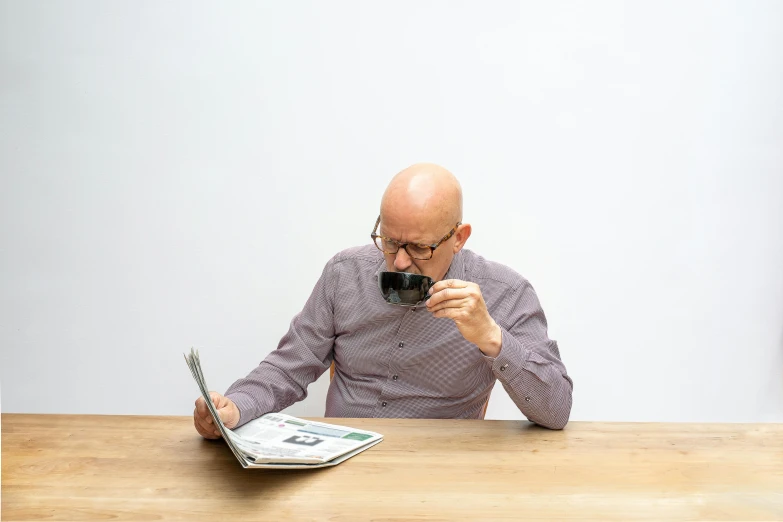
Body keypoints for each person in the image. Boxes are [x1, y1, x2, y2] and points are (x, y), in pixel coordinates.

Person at [193, 163, 573, 438]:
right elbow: (290, 364)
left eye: (420, 247)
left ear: (459, 238)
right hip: (340, 462)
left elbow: (555, 411)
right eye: (390, 241)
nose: (401, 261)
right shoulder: (345, 274)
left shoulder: (505, 292)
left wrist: (492, 337)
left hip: (437, 473)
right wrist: (235, 407)